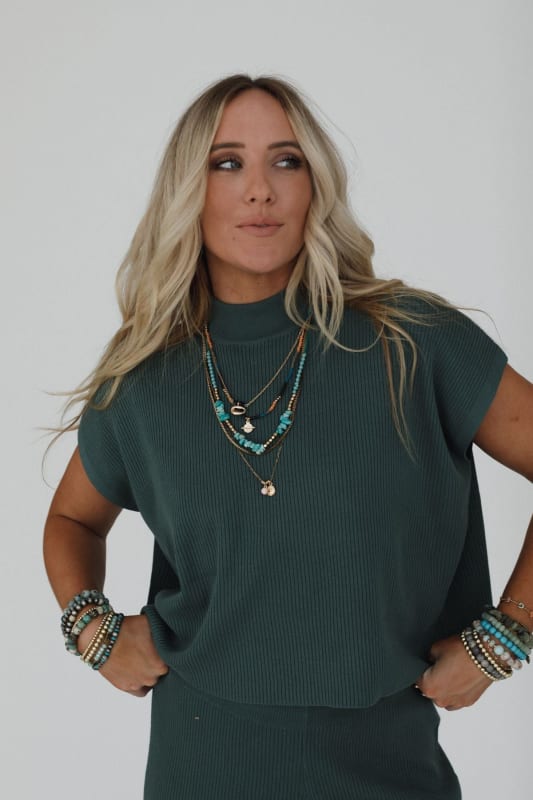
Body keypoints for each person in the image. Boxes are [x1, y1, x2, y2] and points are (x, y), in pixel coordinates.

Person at [43, 73, 533, 799]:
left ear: (315, 185)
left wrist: (505, 634)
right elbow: (72, 519)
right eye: (227, 163)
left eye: (286, 160)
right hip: (200, 765)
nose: (259, 191)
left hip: (390, 767)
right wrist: (94, 630)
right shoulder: (144, 379)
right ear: (189, 189)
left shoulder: (412, 343)